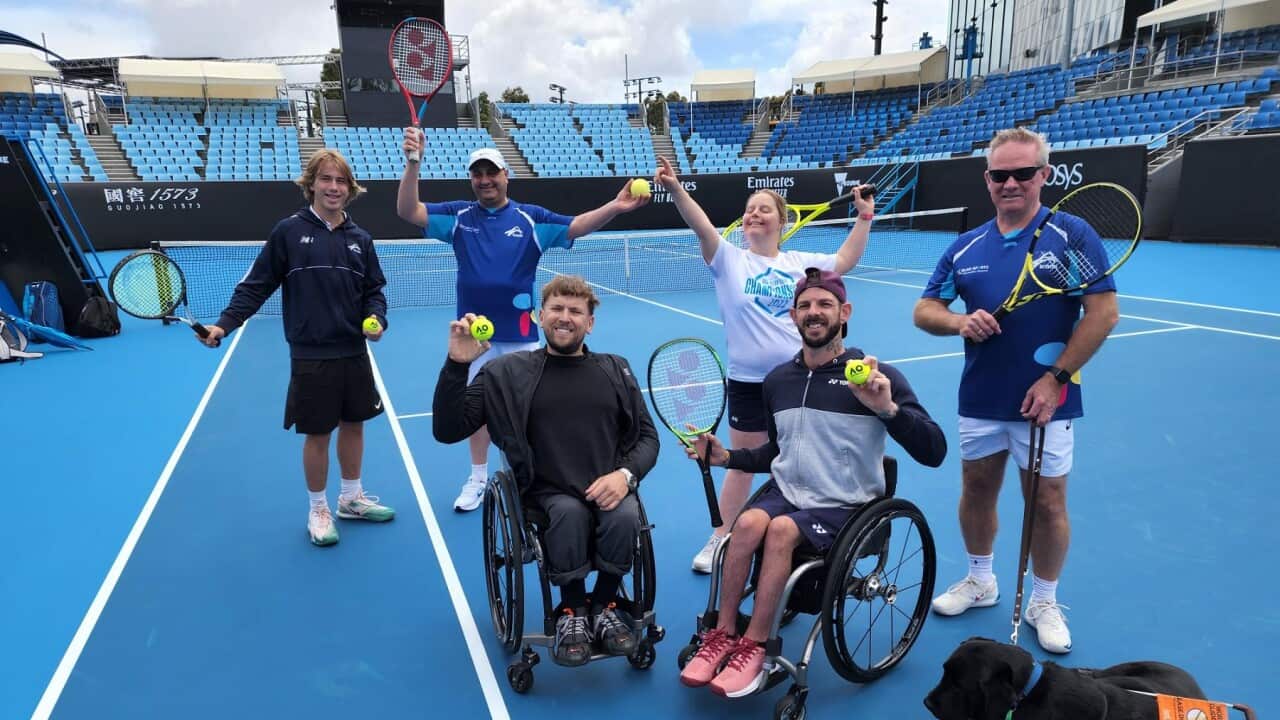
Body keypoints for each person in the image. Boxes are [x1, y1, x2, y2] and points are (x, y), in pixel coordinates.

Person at [678, 268, 946, 697]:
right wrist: (726, 457)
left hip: (847, 504)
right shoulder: (777, 381)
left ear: (845, 312)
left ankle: (757, 647)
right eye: (805, 305)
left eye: (824, 304)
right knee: (744, 526)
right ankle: (722, 634)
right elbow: (774, 453)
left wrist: (887, 410)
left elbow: (934, 451)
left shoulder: (880, 377)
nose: (814, 313)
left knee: (782, 531)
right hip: (789, 494)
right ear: (793, 315)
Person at [913, 127, 1120, 654]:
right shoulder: (966, 247)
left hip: (1049, 401)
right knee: (977, 490)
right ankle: (981, 580)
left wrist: (1057, 379)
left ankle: (1044, 600)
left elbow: (1103, 313)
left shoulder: (1071, 236)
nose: (1011, 183)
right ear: (987, 180)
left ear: (1043, 175)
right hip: (981, 399)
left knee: (1047, 502)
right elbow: (925, 309)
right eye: (1000, 174)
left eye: (1023, 173)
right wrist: (957, 322)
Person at [398, 135, 649, 513]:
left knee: (528, 412)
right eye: (478, 174)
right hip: (474, 338)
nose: (485, 180)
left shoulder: (531, 218)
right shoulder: (458, 217)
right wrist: (414, 162)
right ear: (472, 179)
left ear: (506, 176)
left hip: (521, 339)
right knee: (474, 411)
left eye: (492, 172)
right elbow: (408, 211)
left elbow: (577, 225)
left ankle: (523, 475)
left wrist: (615, 206)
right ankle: (479, 477)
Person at [652, 156, 877, 573]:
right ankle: (721, 536)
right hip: (748, 382)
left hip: (798, 380)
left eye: (763, 208)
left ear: (781, 220)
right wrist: (676, 189)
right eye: (750, 208)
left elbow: (845, 261)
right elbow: (701, 224)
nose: (753, 213)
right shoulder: (729, 260)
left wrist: (864, 217)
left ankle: (797, 529)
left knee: (801, 458)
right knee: (741, 462)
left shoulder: (798, 265)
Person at [432, 274, 660, 667]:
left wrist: (624, 477)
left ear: (590, 323)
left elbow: (647, 438)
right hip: (545, 494)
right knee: (568, 514)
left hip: (608, 487)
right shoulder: (505, 373)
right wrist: (456, 364)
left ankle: (605, 605)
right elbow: (447, 430)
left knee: (625, 516)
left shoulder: (615, 369)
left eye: (576, 311)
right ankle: (571, 611)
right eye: (556, 308)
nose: (565, 317)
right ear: (540, 316)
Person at [200, 149, 395, 547]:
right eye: (326, 179)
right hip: (311, 353)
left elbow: (374, 290)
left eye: (341, 181)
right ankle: (318, 508)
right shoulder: (287, 232)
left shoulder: (361, 238)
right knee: (318, 433)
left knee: (354, 424)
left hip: (354, 351)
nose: (334, 188)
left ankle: (351, 498)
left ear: (350, 189)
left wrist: (376, 319)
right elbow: (256, 285)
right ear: (311, 184)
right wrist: (223, 326)